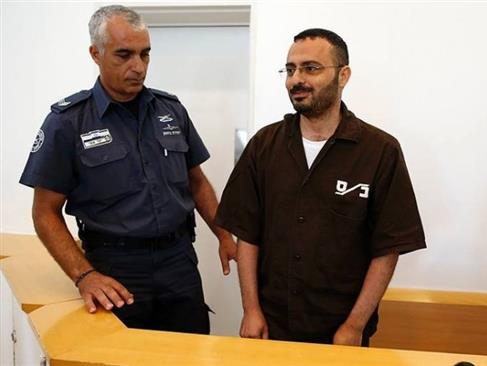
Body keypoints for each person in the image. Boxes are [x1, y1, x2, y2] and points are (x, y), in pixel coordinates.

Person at [19, 5, 236, 334]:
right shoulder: (67, 122)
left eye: (145, 54)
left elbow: (197, 183)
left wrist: (224, 234)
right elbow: (45, 212)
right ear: (96, 53)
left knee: (190, 353)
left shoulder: (171, 110)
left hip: (178, 262)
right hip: (114, 269)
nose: (138, 67)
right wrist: (84, 275)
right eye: (124, 55)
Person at [216, 28, 426, 346]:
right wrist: (251, 309)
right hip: (272, 327)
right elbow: (248, 234)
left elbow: (388, 249)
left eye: (310, 68)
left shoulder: (379, 151)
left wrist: (355, 325)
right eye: (290, 69)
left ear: (343, 76)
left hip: (341, 330)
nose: (295, 79)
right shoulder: (264, 145)